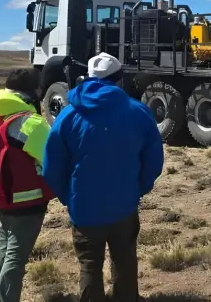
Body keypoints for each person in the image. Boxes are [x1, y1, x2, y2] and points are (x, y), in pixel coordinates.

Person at [43, 52, 164, 302]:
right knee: (124, 259)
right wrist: (138, 189)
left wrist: (68, 196)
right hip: (124, 204)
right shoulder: (138, 112)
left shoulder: (68, 115)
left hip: (84, 206)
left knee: (89, 264)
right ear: (119, 79)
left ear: (87, 78)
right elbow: (153, 160)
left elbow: (52, 166)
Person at [0, 68, 54, 302]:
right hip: (28, 203)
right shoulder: (32, 124)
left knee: (5, 249)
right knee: (16, 257)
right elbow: (53, 160)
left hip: (1, 198)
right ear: (35, 92)